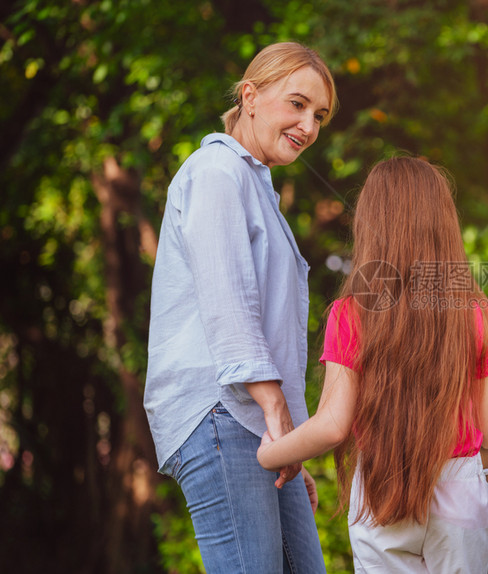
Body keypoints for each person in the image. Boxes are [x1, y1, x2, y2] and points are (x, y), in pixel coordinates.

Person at [256, 156, 488, 573]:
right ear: (445, 225)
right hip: (461, 494)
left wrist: (270, 456)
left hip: (382, 489)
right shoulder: (476, 310)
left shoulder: (351, 313)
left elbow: (333, 425)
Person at [144, 42, 337, 573]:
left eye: (318, 115)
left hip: (257, 422)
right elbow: (229, 304)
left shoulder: (255, 185)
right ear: (250, 95)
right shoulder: (216, 171)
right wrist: (279, 418)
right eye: (297, 104)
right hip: (220, 413)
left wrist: (288, 434)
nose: (309, 125)